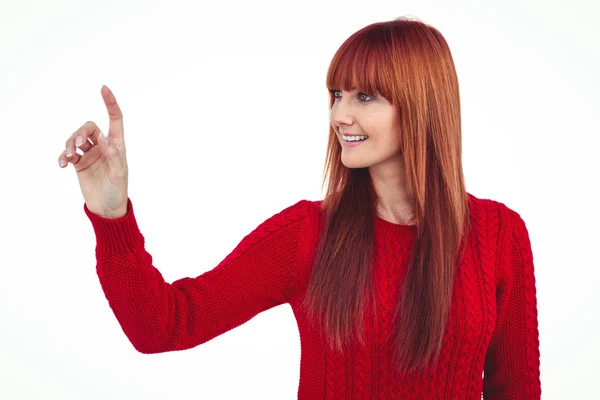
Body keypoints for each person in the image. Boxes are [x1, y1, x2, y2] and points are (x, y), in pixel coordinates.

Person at [57, 17, 541, 399]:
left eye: (364, 96)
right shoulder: (308, 233)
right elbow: (164, 325)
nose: (338, 115)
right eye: (336, 95)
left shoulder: (499, 234)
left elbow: (515, 391)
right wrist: (111, 216)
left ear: (422, 105)